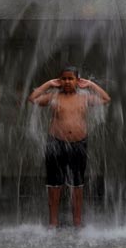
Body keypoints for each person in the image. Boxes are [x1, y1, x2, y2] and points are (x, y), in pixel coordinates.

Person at [27, 66, 111, 227]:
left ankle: (77, 222)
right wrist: (48, 83)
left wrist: (91, 85)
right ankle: (53, 222)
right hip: (55, 143)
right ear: (59, 81)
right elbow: (32, 99)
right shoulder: (53, 96)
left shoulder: (84, 98)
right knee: (54, 184)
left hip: (79, 144)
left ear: (77, 81)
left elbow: (106, 99)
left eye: (70, 78)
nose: (66, 82)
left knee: (77, 184)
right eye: (63, 79)